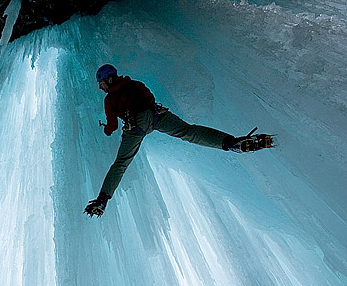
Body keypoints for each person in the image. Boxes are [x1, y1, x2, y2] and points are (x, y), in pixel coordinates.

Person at [85, 64, 273, 217]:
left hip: (136, 125)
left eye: (101, 83)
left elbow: (113, 125)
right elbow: (149, 96)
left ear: (109, 79)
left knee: (121, 163)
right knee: (188, 131)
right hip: (157, 115)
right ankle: (231, 143)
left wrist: (108, 130)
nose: (101, 87)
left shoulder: (110, 99)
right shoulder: (135, 84)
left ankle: (103, 199)